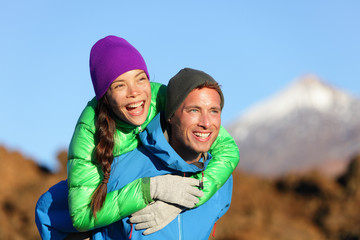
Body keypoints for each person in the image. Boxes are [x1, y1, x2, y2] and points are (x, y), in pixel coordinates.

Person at [35, 36, 239, 238]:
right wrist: (150, 189)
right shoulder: (89, 134)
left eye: (141, 79)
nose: (135, 92)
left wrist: (184, 201)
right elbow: (79, 215)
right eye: (120, 85)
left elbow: (226, 149)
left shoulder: (165, 99)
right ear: (105, 96)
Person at [90, 67, 234, 239]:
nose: (206, 123)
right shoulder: (121, 168)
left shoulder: (222, 183)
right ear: (171, 116)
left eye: (214, 111)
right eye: (194, 110)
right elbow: (52, 213)